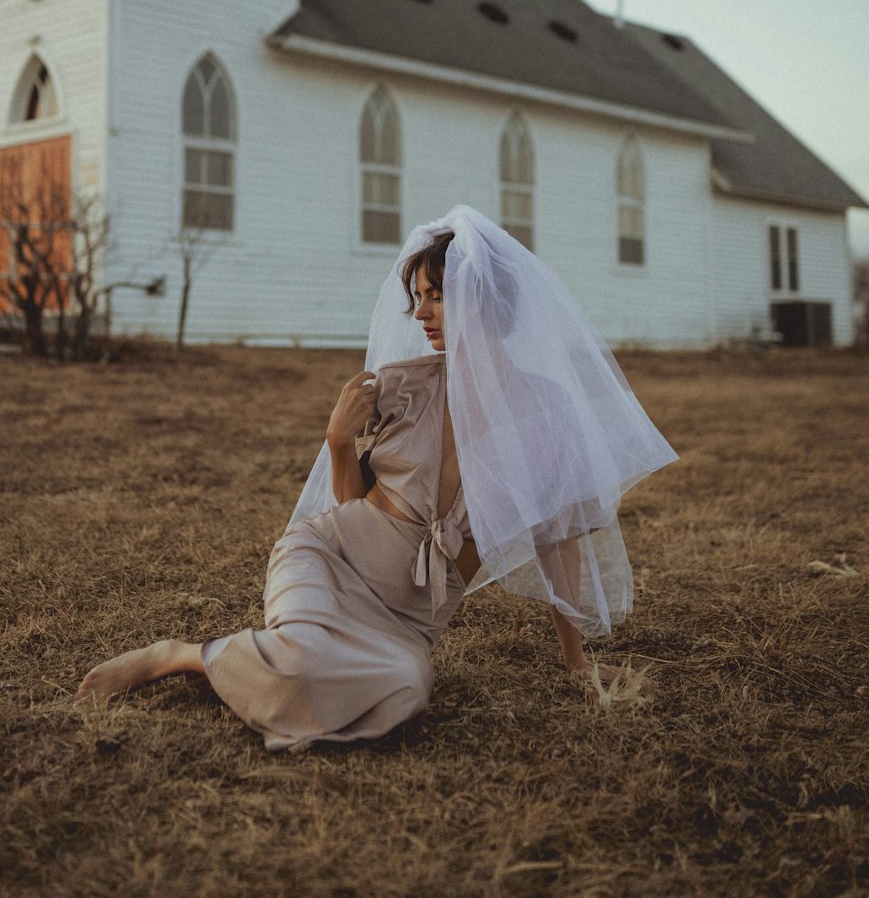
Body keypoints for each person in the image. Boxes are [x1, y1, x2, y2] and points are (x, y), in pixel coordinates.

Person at [78, 206, 677, 751]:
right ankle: (178, 657)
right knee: (302, 662)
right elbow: (350, 502)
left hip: (410, 618)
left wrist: (575, 661)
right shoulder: (404, 386)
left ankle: (270, 668)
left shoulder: (545, 412)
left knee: (403, 697)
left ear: (482, 299)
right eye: (417, 296)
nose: (420, 313)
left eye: (436, 296)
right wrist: (339, 442)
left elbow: (559, 539)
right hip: (333, 557)